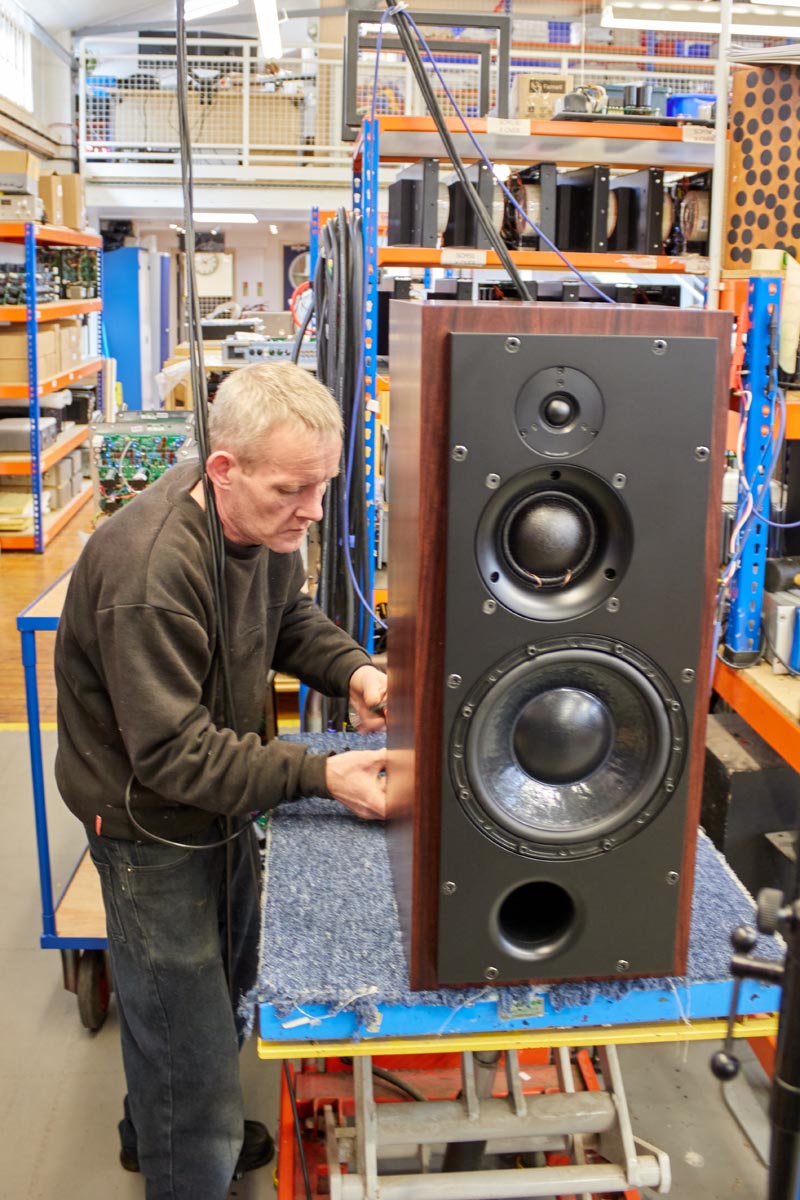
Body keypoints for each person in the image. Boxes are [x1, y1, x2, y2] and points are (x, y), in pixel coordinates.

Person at [54, 362, 388, 1200]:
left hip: (222, 800)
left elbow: (288, 616)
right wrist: (320, 773)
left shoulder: (259, 524)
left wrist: (353, 671)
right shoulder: (150, 573)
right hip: (150, 822)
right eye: (293, 490)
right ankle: (187, 1161)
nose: (313, 511)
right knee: (191, 1043)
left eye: (323, 486)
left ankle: (159, 1134)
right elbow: (173, 755)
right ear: (224, 469)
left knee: (225, 985)